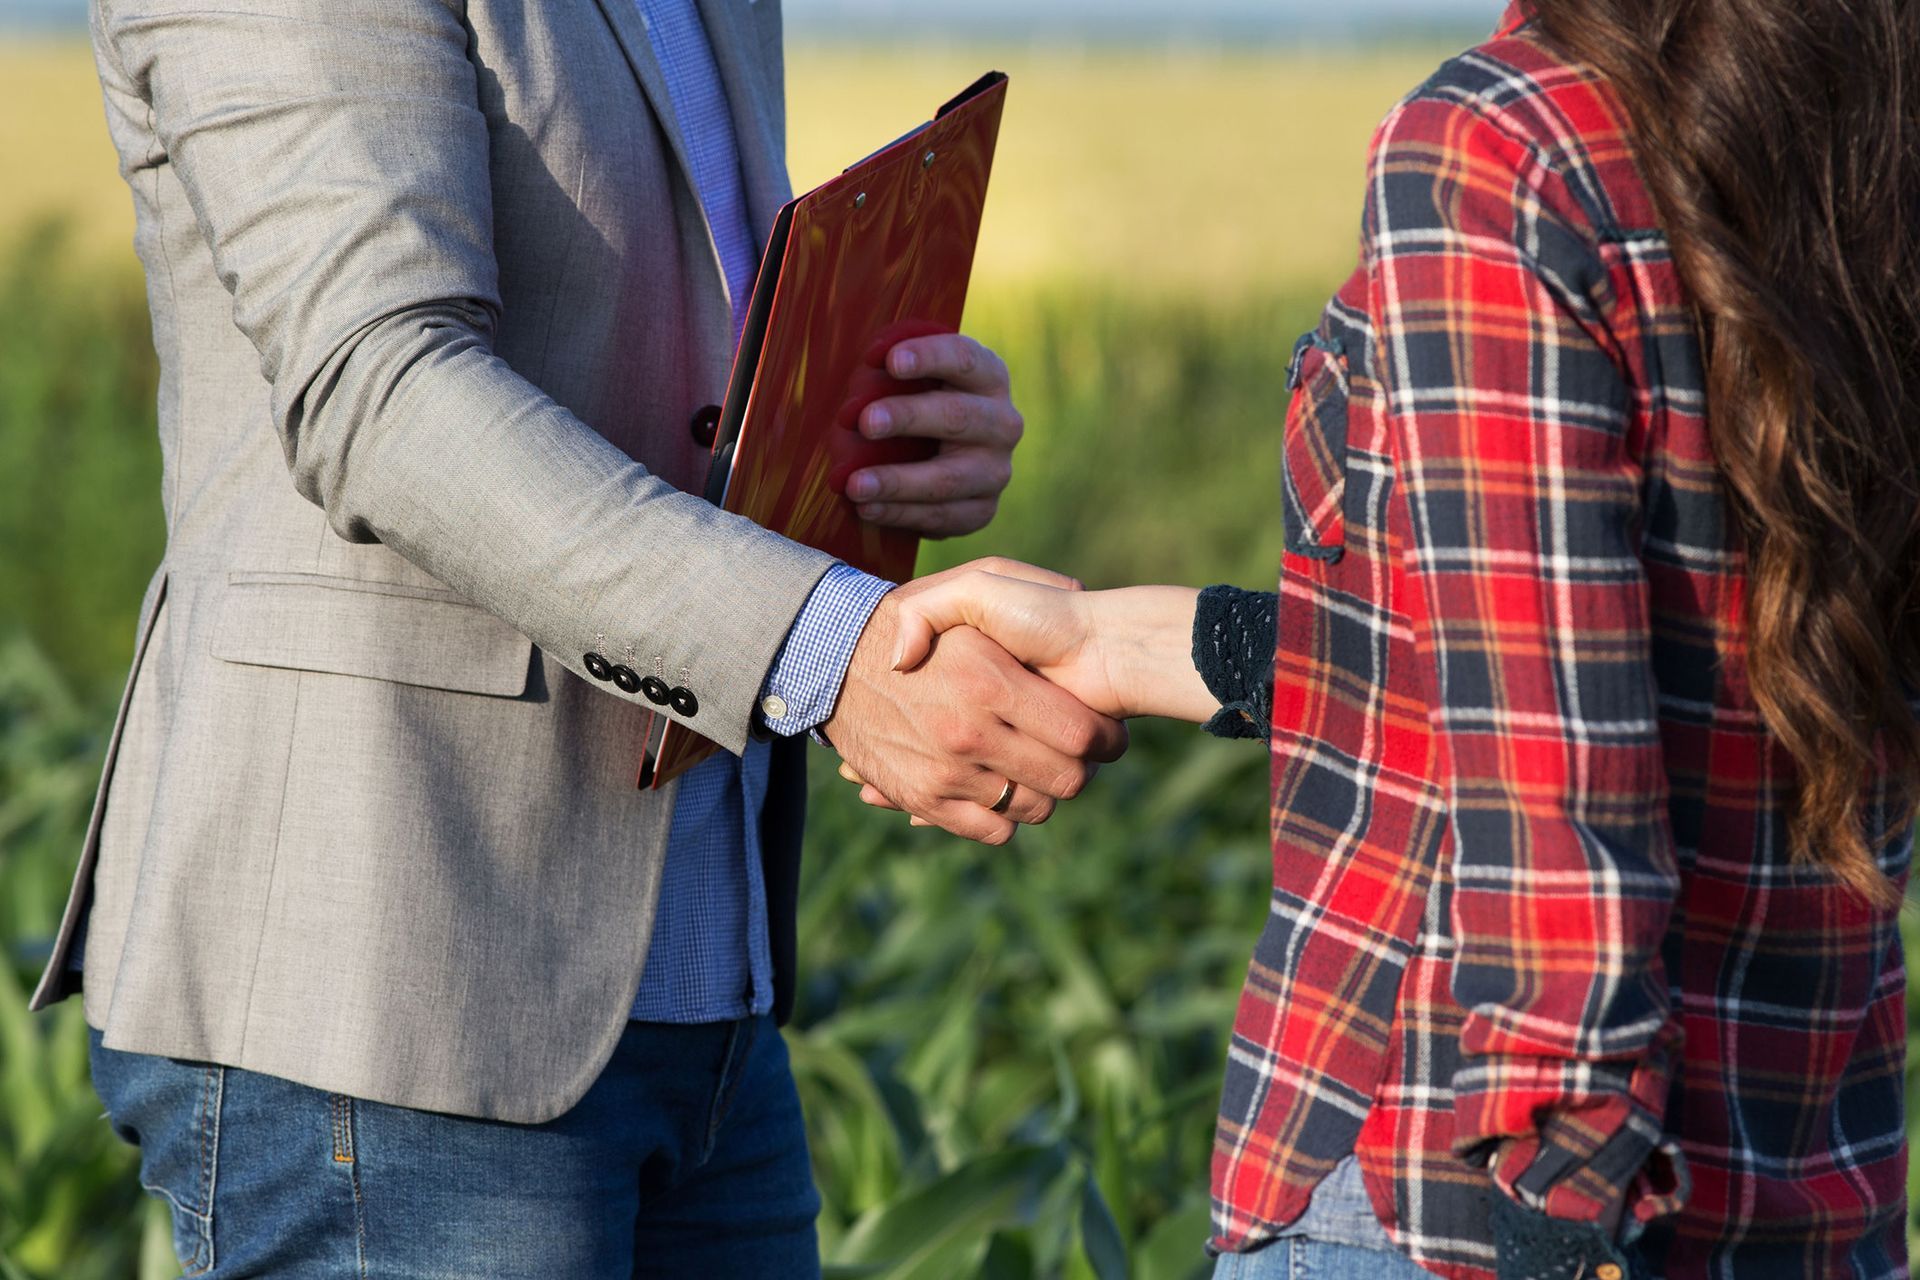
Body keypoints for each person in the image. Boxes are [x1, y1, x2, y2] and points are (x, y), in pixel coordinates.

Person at [29, 1, 1125, 1275]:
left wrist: (875, 438)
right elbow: (380, 392)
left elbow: (658, 355)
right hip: (396, 990)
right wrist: (824, 647)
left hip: (705, 983)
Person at [862, 1, 1918, 1275]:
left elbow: (1555, 797)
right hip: (1804, 1181)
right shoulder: (1864, 118)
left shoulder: (1501, 146)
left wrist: (1558, 1205)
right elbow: (1626, 648)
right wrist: (1126, 642)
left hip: (1461, 1198)